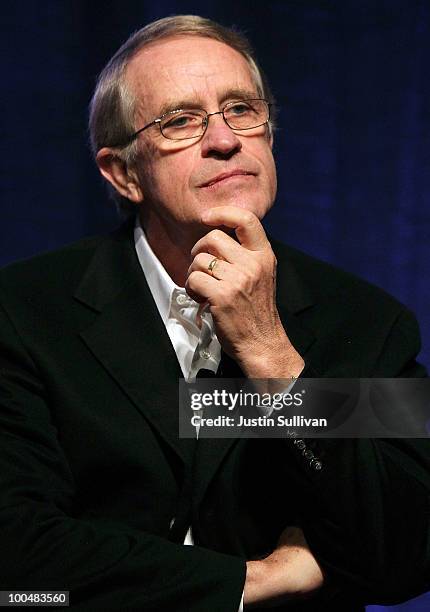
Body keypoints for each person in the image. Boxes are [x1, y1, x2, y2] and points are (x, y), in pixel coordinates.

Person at [0, 14, 429, 612]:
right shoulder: (22, 313)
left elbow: (404, 555)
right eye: (180, 122)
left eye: (241, 110)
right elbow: (18, 571)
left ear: (270, 135)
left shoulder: (365, 323)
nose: (225, 139)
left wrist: (271, 354)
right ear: (124, 173)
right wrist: (252, 582)